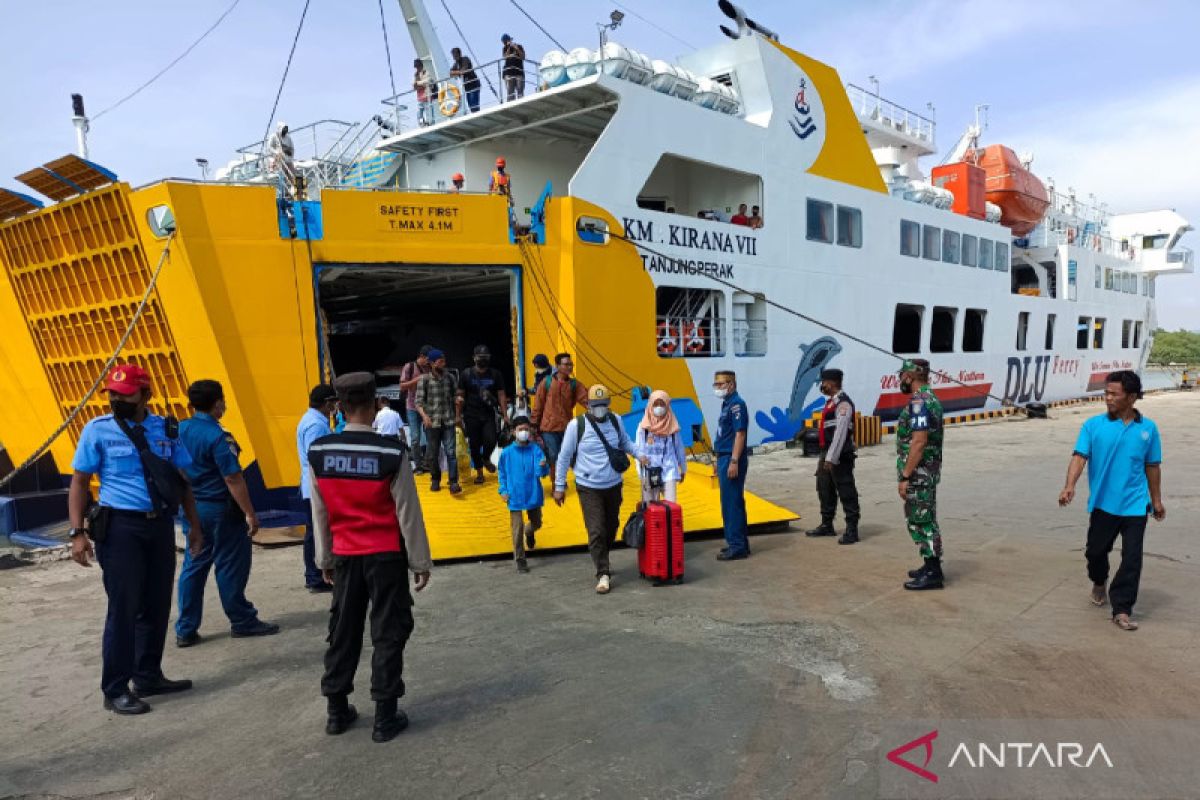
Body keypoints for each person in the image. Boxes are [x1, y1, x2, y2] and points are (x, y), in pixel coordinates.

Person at [67, 364, 203, 715]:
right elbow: (80, 483)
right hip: (120, 529)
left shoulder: (166, 429)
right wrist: (78, 533)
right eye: (112, 394)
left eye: (124, 394)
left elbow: (182, 481)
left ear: (146, 395)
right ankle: (114, 689)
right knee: (123, 609)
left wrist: (195, 527)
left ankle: (148, 676)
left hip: (159, 527)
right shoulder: (97, 430)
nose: (116, 400)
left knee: (156, 605)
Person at [309, 372, 432, 742]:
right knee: (388, 632)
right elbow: (407, 512)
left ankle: (336, 711)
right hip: (385, 556)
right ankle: (384, 716)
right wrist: (420, 562)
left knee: (343, 631)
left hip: (346, 556)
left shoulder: (320, 452)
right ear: (374, 402)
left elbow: (320, 512)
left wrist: (325, 559)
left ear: (339, 406)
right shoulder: (391, 452)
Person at [1058, 370, 1165, 631]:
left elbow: (1152, 466)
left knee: (1132, 559)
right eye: (1106, 393)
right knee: (1095, 552)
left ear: (1131, 397)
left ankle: (1122, 609)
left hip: (1135, 505)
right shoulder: (1093, 426)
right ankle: (1099, 580)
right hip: (1104, 504)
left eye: (1113, 394)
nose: (1107, 398)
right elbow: (1079, 456)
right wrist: (1069, 486)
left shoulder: (1148, 429)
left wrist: (1157, 500)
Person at [176, 380, 279, 648]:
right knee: (230, 565)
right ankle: (242, 620)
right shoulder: (218, 436)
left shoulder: (180, 429)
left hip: (192, 507)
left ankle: (185, 628)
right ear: (218, 402)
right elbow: (233, 478)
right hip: (220, 509)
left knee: (194, 565)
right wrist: (250, 514)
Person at [553, 385, 643, 593]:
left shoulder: (615, 420)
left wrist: (641, 455)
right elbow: (564, 456)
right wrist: (559, 486)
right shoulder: (577, 425)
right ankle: (603, 573)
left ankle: (604, 555)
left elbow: (626, 443)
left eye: (603, 405)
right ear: (588, 405)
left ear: (609, 404)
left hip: (613, 484)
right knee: (596, 530)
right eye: (596, 405)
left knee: (611, 526)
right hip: (588, 486)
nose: (600, 408)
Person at [894, 359, 945, 590]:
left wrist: (905, 476)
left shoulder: (918, 402)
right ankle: (929, 564)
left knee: (921, 521)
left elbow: (919, 441)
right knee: (925, 518)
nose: (900, 380)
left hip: (919, 473)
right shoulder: (931, 398)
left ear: (910, 376)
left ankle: (933, 572)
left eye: (902, 375)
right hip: (928, 471)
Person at [805, 368, 861, 545]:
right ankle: (827, 524)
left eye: (823, 382)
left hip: (839, 455)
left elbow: (841, 433)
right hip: (826, 452)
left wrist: (831, 458)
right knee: (824, 488)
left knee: (846, 490)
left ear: (831, 383)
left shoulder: (843, 404)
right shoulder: (831, 402)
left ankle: (852, 529)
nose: (822, 385)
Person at [298, 383, 337, 593]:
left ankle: (314, 573)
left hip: (310, 484)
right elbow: (317, 458)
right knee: (317, 532)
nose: (335, 407)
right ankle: (316, 576)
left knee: (314, 531)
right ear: (327, 403)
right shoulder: (316, 425)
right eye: (333, 403)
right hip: (315, 485)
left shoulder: (311, 420)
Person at [497, 416, 547, 573]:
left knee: (537, 523)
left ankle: (529, 531)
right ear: (513, 432)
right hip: (515, 495)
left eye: (526, 429)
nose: (524, 432)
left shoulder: (536, 450)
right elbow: (502, 474)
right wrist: (503, 491)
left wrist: (542, 467)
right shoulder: (506, 453)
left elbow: (542, 473)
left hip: (533, 493)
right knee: (516, 529)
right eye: (521, 430)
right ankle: (520, 559)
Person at [532, 352, 588, 484]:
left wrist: (599, 409)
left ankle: (583, 481)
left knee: (573, 455)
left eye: (571, 364)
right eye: (566, 364)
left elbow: (586, 400)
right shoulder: (547, 382)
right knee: (553, 457)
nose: (570, 367)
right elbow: (538, 404)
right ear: (557, 366)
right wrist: (533, 424)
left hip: (567, 427)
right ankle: (556, 483)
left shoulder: (575, 385)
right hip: (548, 428)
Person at [456, 344, 508, 485]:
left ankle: (485, 458)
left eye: (486, 357)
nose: (483, 360)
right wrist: (458, 415)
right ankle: (479, 473)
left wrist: (505, 414)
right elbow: (460, 395)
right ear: (474, 358)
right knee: (474, 444)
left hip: (488, 414)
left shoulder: (496, 374)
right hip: (471, 414)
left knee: (491, 439)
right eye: (480, 357)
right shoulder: (466, 374)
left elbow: (501, 395)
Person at [712, 371, 751, 561]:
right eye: (716, 384)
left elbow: (740, 434)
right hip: (724, 457)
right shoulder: (727, 404)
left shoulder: (737, 405)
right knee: (732, 501)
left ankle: (736, 546)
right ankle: (739, 543)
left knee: (731, 503)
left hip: (731, 458)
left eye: (721, 384)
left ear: (731, 385)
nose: (717, 388)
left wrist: (734, 461)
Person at [415, 349, 462, 494]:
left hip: (448, 420)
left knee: (451, 452)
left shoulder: (450, 378)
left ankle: (453, 482)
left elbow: (455, 395)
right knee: (432, 454)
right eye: (441, 361)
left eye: (444, 361)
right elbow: (418, 402)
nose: (444, 363)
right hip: (432, 422)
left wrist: (458, 405)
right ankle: (435, 479)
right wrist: (425, 416)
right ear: (432, 363)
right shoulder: (424, 380)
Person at [636, 390, 687, 503]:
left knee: (671, 505)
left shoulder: (673, 426)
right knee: (650, 509)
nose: (659, 407)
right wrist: (641, 475)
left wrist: (683, 469)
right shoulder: (643, 428)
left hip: (669, 471)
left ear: (667, 405)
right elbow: (638, 451)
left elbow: (679, 449)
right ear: (650, 405)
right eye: (656, 404)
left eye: (662, 404)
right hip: (649, 471)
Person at [399, 345, 433, 473]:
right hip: (412, 407)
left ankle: (427, 463)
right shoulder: (410, 367)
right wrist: (417, 380)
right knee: (415, 437)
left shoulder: (430, 368)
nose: (429, 362)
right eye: (428, 359)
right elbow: (402, 386)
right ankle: (418, 465)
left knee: (431, 436)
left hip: (427, 407)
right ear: (422, 356)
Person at [450, 47, 481, 113]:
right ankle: (474, 114)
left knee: (474, 104)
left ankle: (476, 115)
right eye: (453, 56)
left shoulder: (465, 59)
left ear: (459, 54)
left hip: (473, 84)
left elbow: (463, 71)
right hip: (467, 87)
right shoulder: (456, 64)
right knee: (470, 105)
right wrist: (458, 72)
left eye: (455, 55)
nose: (454, 57)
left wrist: (456, 72)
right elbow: (450, 73)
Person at [501, 35, 526, 101]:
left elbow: (523, 57)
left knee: (520, 92)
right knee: (510, 93)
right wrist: (509, 47)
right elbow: (505, 57)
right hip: (509, 74)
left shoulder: (519, 46)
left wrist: (516, 48)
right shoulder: (505, 48)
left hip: (519, 73)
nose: (506, 43)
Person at [413, 58, 434, 126]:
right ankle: (422, 124)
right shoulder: (416, 75)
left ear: (421, 65)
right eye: (416, 67)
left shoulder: (426, 72)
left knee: (429, 112)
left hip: (427, 96)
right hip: (420, 98)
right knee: (420, 114)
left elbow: (428, 81)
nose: (417, 68)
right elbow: (413, 85)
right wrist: (421, 84)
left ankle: (430, 124)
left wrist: (418, 83)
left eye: (418, 66)